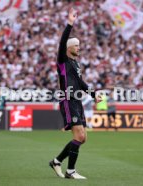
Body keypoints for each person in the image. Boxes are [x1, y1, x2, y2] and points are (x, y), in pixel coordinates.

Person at [49, 8, 98, 179]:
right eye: (76, 45)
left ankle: (56, 161)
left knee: (82, 138)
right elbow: (62, 43)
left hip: (76, 101)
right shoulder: (62, 61)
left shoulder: (76, 64)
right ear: (69, 48)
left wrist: (93, 93)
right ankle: (70, 171)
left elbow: (81, 83)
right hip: (68, 100)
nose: (79, 48)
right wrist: (70, 23)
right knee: (80, 135)